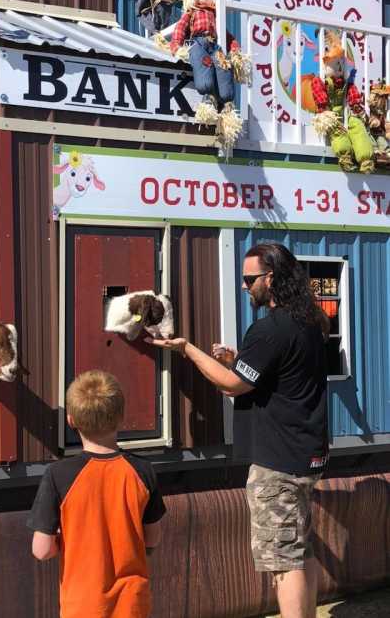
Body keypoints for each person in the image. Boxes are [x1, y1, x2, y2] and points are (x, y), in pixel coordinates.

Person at [146, 242, 329, 618]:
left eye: (249, 279)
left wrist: (187, 350)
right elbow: (278, 374)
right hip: (305, 453)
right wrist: (238, 362)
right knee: (300, 548)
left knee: (282, 559)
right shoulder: (310, 322)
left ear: (271, 278)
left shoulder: (269, 329)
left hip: (277, 461)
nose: (245, 286)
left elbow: (232, 385)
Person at [27, 369, 166, 618]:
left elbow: (42, 550)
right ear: (121, 417)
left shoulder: (58, 475)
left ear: (71, 420)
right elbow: (153, 539)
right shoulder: (143, 471)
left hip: (82, 606)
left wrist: (68, 538)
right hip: (132, 603)